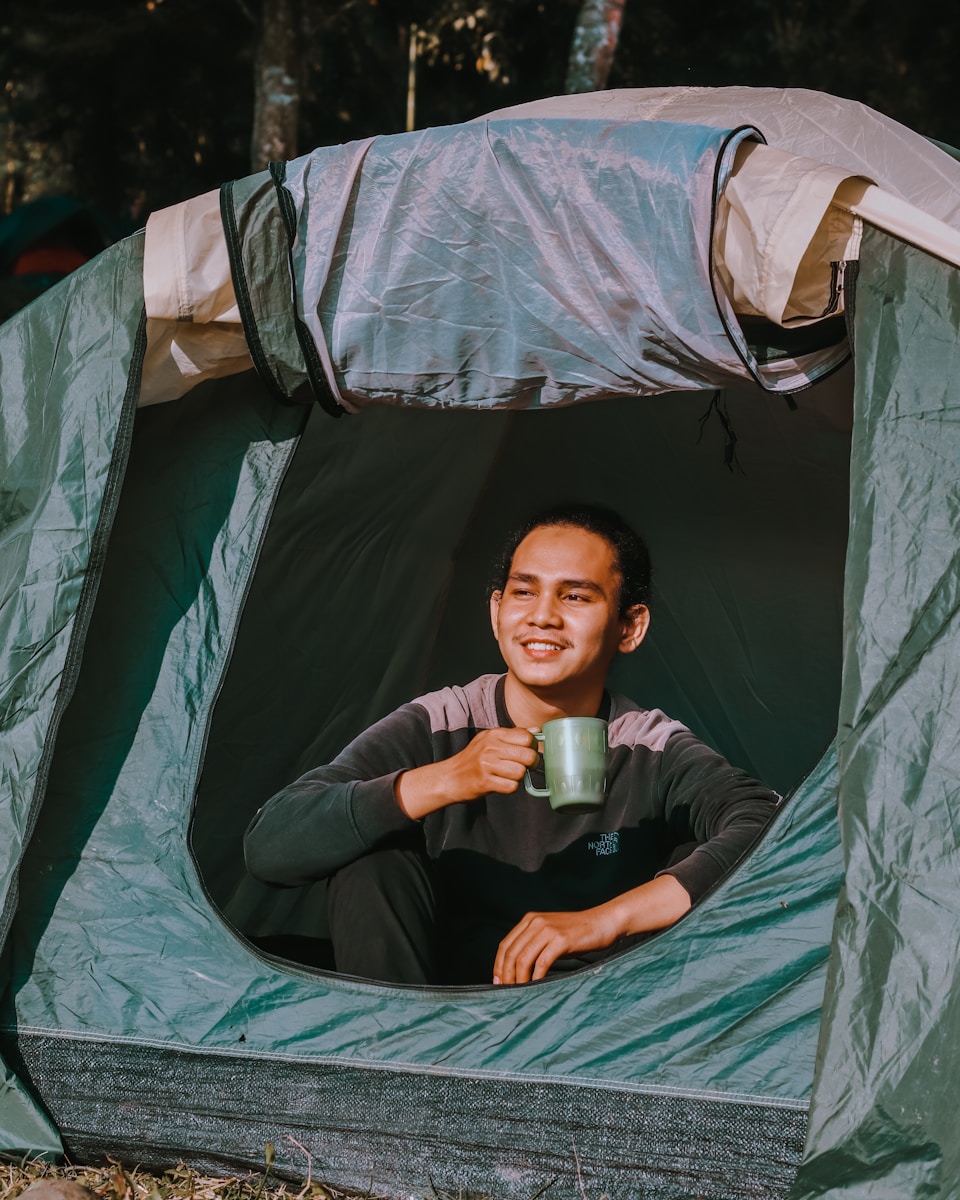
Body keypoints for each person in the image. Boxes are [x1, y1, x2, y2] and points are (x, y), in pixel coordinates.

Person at [244, 504, 778, 987]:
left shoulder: (648, 744)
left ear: (630, 626)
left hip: (593, 1013)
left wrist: (604, 919)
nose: (542, 615)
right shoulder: (443, 723)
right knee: (371, 855)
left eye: (575, 596)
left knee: (701, 854)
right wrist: (444, 780)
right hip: (430, 1003)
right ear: (497, 610)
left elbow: (772, 827)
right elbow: (270, 844)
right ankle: (392, 1082)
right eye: (524, 591)